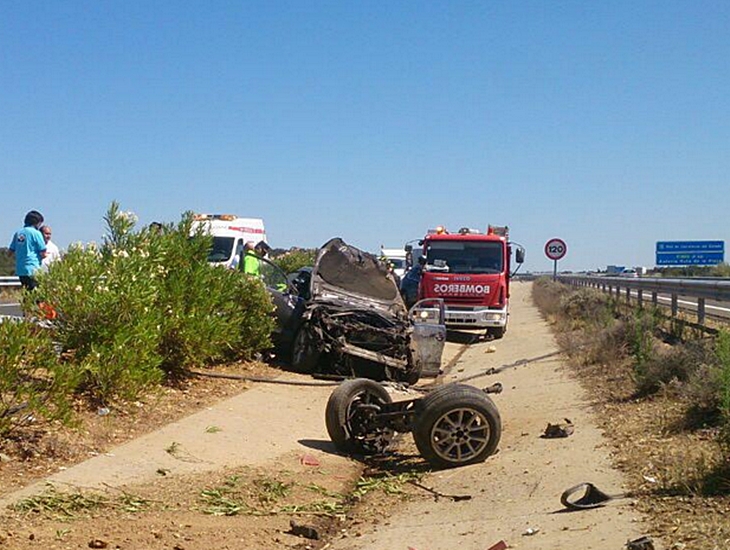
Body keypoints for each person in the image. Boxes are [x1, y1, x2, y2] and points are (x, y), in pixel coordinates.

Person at [9, 210, 47, 291]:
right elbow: (43, 251)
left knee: (27, 293)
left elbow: (10, 251)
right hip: (33, 268)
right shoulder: (36, 233)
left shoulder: (18, 233)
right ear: (37, 222)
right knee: (36, 295)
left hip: (21, 269)